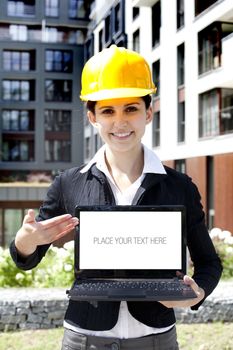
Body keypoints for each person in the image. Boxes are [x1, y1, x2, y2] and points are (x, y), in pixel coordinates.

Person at [10, 45, 222, 350]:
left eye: (131, 109)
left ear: (148, 113)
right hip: (84, 340)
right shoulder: (68, 183)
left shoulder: (180, 186)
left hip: (156, 340)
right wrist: (26, 241)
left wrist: (197, 291)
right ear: (93, 117)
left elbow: (208, 262)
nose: (120, 122)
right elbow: (25, 259)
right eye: (108, 111)